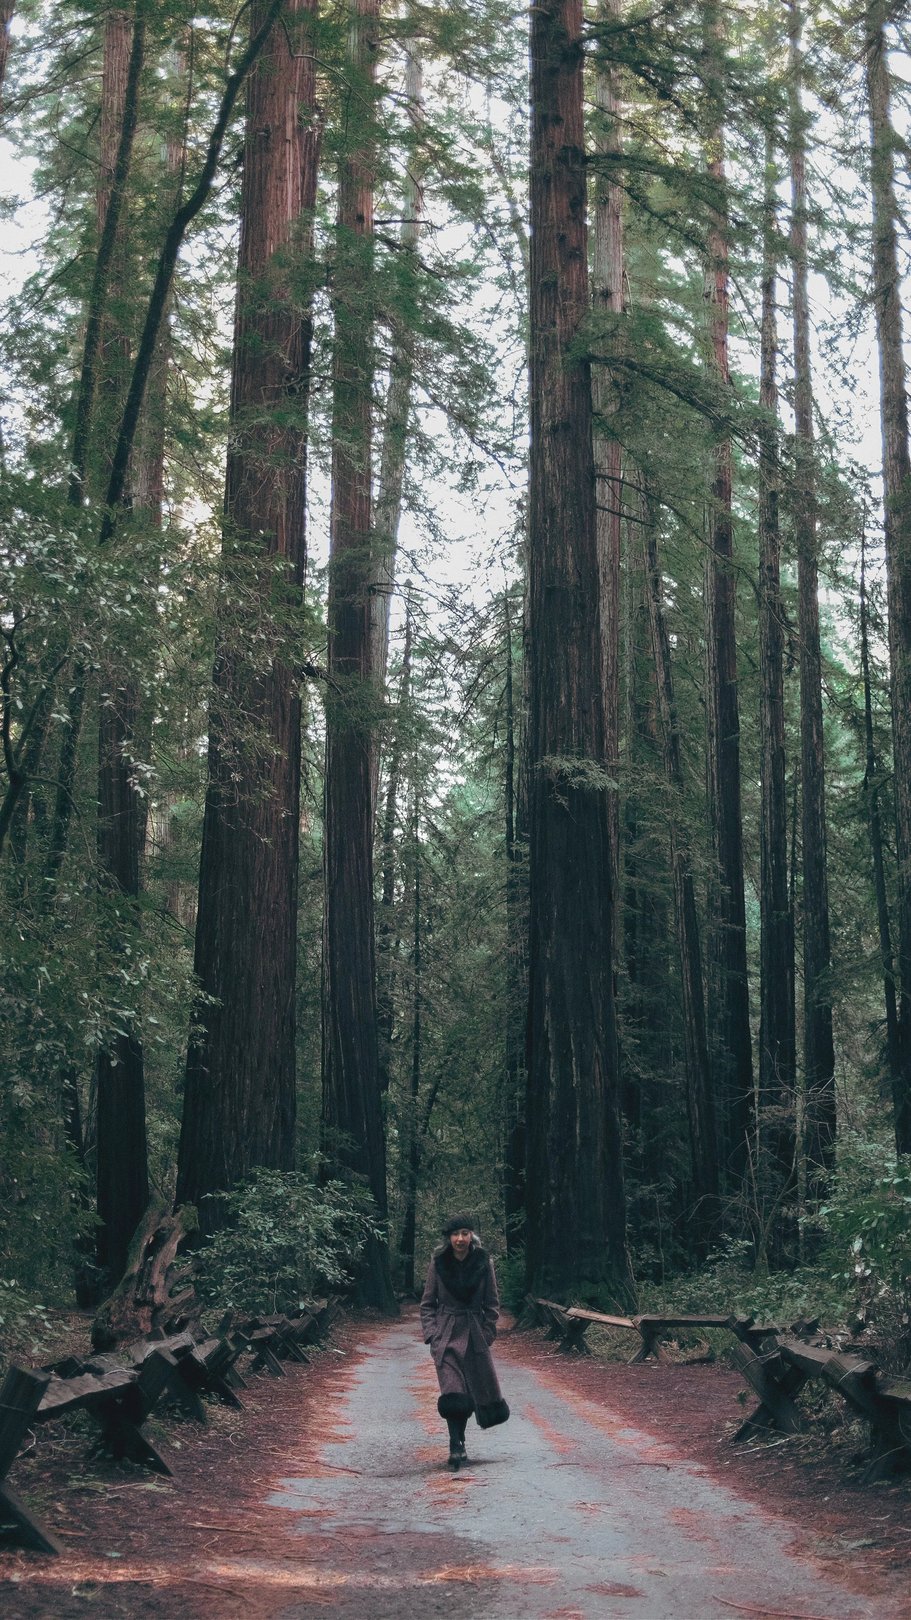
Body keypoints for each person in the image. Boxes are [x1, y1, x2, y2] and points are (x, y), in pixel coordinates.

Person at [419, 1213, 510, 1468]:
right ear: (449, 1238)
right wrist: (432, 1334)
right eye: (455, 1234)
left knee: (469, 1393)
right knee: (452, 1392)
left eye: (465, 1233)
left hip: (474, 1335)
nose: (460, 1239)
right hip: (446, 1335)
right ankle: (455, 1444)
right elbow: (427, 1304)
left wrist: (488, 1332)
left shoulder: (484, 1263)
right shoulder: (438, 1263)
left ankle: (460, 1441)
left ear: (472, 1236)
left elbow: (492, 1303)